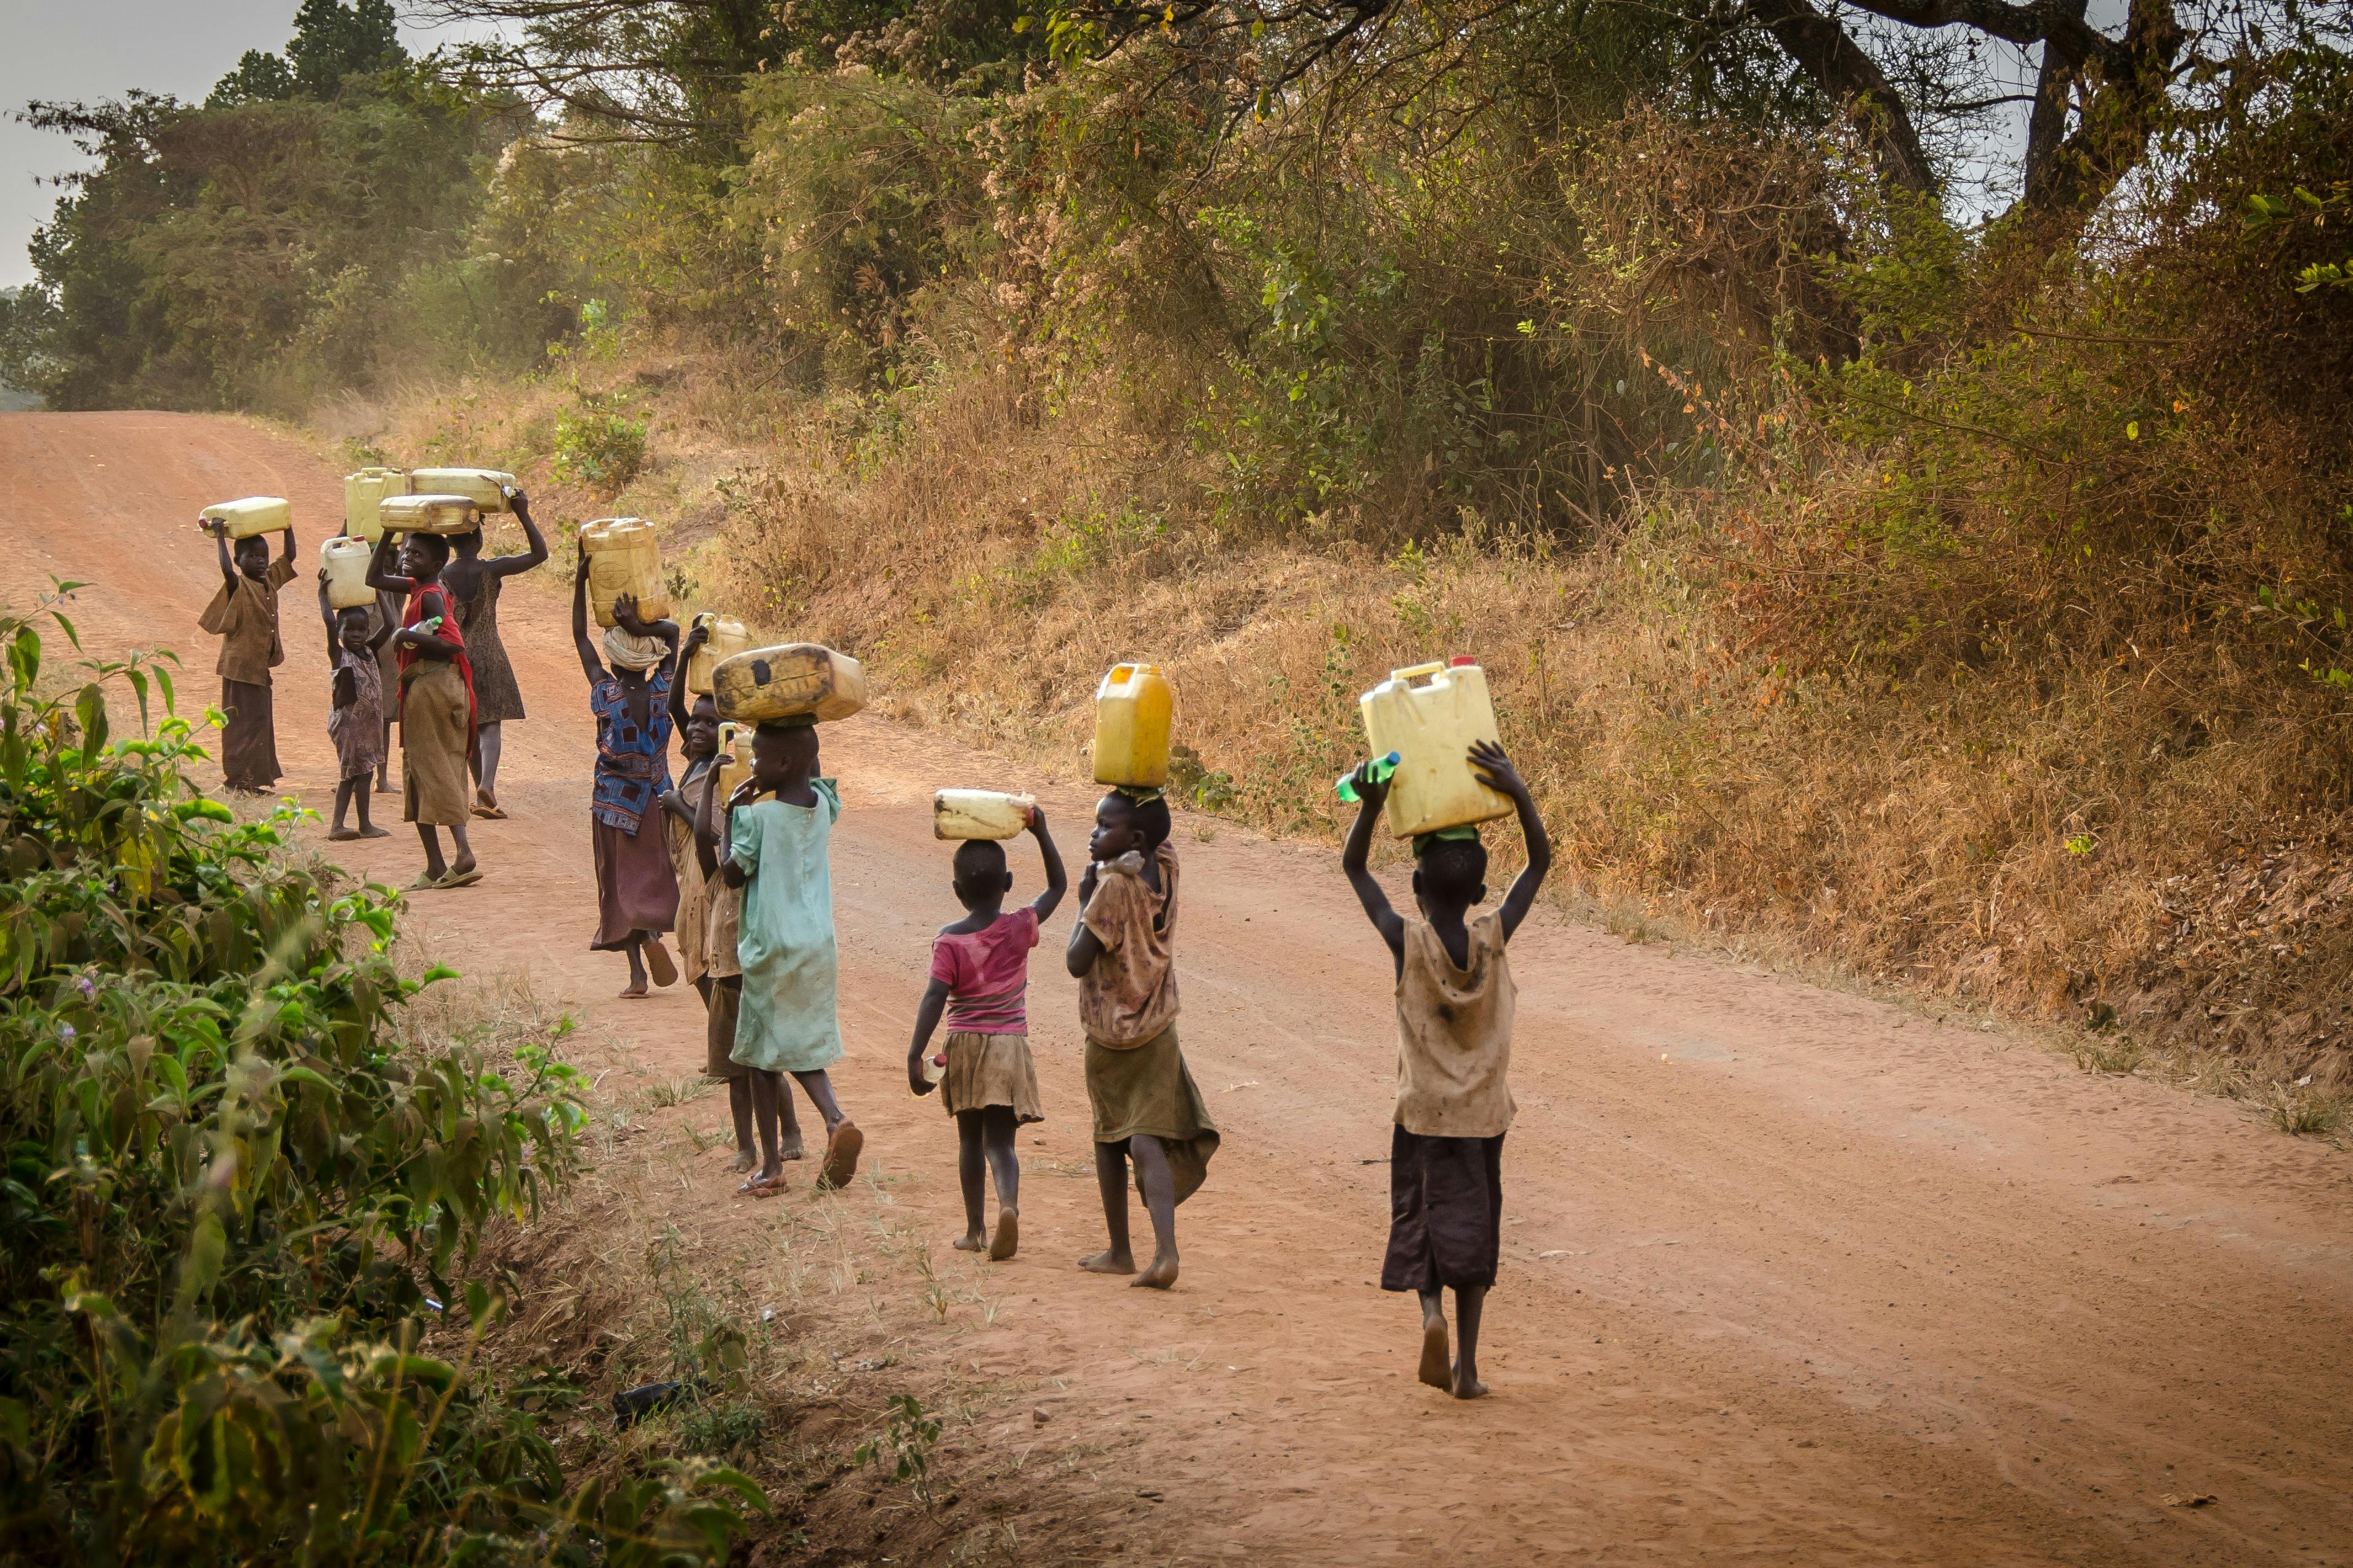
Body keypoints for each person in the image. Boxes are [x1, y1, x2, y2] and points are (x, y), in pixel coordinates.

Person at [1339, 739, 1551, 1401]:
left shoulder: (1406, 942)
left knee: (1422, 1218)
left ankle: (1426, 1315)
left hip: (1423, 1113)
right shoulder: (1493, 936)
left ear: (1416, 888)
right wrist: (1515, 792)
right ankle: (1466, 1367)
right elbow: (1539, 864)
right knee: (1474, 1231)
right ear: (1481, 891)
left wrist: (1370, 808)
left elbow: (1354, 871)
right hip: (1483, 1117)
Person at [1065, 787, 1219, 1290]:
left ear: (1133, 838)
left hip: (1111, 1033)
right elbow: (1162, 838)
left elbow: (1076, 961)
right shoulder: (1167, 868)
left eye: (1104, 825)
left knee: (1110, 1138)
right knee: (1146, 1137)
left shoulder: (1111, 891)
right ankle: (1166, 1251)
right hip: (1158, 1026)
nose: (1093, 832)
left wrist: (1083, 901)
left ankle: (1120, 1250)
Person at [907, 807, 1067, 1261]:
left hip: (966, 1045)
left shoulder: (949, 940)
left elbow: (934, 998)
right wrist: (1042, 832)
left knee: (968, 1140)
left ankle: (976, 1229)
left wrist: (915, 1054)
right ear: (1009, 883)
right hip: (1009, 1045)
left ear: (957, 890)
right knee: (1001, 1143)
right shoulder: (1019, 927)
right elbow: (1058, 886)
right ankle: (1009, 1205)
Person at [720, 718, 862, 1195]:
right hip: (817, 941)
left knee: (763, 1059)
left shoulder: (757, 819)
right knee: (793, 1041)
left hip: (771, 945)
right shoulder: (823, 806)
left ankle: (772, 1166)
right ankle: (833, 1120)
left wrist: (729, 813)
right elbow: (812, 769)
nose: (752, 763)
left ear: (781, 763)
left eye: (758, 756)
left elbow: (731, 875)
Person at [660, 628, 756, 1170]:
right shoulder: (700, 758)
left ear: (725, 735)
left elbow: (715, 839)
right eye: (693, 723)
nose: (694, 728)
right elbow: (676, 702)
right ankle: (723, 1056)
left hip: (710, 887)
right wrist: (688, 653)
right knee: (704, 980)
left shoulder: (725, 773)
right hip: (690, 888)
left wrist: (675, 802)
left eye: (708, 723)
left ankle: (764, 1115)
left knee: (721, 998)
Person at [570, 550, 682, 999]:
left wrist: (580, 580)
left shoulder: (605, 692)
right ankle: (653, 932)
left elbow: (579, 635)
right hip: (657, 798)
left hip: (614, 804)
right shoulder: (663, 690)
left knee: (617, 883)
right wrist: (642, 626)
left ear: (613, 661)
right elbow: (674, 633)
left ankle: (637, 972)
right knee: (651, 877)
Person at [366, 529, 480, 890]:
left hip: (433, 686)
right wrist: (386, 534)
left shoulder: (430, 595)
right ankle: (435, 865)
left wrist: (408, 636)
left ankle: (462, 855)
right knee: (426, 769)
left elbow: (454, 644)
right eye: (405, 552)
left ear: (436, 563)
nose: (405, 559)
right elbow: (373, 578)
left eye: (415, 555)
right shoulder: (422, 586)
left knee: (432, 769)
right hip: (434, 686)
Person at [443, 488, 547, 819]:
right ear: (479, 541)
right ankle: (487, 784)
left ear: (451, 544)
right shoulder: (492, 569)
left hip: (456, 652)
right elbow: (539, 554)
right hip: (490, 652)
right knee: (491, 724)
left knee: (472, 723)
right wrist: (522, 513)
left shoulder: (443, 575)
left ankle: (482, 793)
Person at [196, 517, 297, 795]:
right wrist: (219, 535)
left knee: (258, 723)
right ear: (239, 561)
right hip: (239, 669)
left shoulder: (269, 580)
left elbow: (290, 556)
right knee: (240, 725)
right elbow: (226, 570)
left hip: (259, 667)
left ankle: (251, 782)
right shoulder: (238, 585)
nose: (260, 561)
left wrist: (286, 526)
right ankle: (235, 781)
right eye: (252, 557)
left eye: (263, 556)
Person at [316, 573, 392, 841]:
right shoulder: (339, 654)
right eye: (350, 630)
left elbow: (390, 623)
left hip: (368, 726)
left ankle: (365, 825)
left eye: (362, 629)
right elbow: (328, 622)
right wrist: (322, 594)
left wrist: (379, 595)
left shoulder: (370, 650)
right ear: (340, 632)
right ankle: (337, 826)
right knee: (349, 774)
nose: (357, 635)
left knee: (365, 773)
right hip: (348, 726)